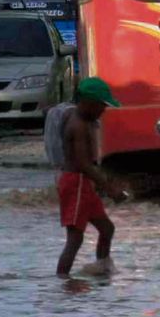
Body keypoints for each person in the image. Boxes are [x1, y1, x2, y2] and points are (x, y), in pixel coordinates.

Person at [50, 77, 126, 278]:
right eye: (102, 105)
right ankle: (62, 280)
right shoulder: (78, 126)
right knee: (75, 239)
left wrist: (103, 182)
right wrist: (110, 189)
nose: (104, 110)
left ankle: (103, 269)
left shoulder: (83, 118)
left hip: (84, 184)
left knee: (107, 229)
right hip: (75, 184)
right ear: (88, 103)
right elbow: (84, 165)